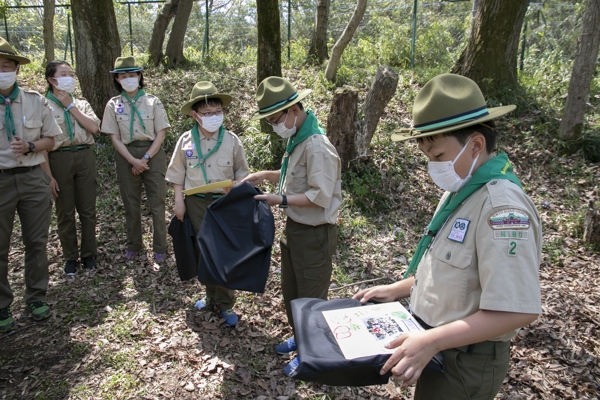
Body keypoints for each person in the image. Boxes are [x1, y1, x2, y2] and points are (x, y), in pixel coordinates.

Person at [353, 73, 542, 399]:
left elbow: (517, 309)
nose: (433, 167)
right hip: (438, 346)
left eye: (438, 156)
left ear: (476, 144)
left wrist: (432, 341)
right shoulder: (462, 191)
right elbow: (455, 276)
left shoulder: (501, 209)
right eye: (428, 158)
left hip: (465, 361)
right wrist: (397, 290)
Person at [242, 76, 342, 373]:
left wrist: (280, 200)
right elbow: (292, 176)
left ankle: (314, 354)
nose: (275, 125)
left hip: (315, 233)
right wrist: (265, 175)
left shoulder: (317, 145)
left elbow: (319, 196)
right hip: (295, 230)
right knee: (292, 293)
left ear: (294, 110)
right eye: (270, 120)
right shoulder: (298, 139)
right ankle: (301, 337)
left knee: (311, 298)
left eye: (276, 119)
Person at [166, 81, 249, 327]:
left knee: (223, 252)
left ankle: (225, 303)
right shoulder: (185, 141)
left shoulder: (232, 141)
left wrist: (236, 185)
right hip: (195, 203)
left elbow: (243, 173)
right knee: (201, 249)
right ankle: (209, 294)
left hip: (224, 203)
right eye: (207, 114)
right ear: (195, 115)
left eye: (217, 113)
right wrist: (178, 202)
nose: (214, 117)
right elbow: (177, 175)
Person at [0, 37, 61, 333]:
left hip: (33, 177)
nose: (2, 71)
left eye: (6, 65)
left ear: (16, 69)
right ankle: (2, 305)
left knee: (36, 242)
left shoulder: (36, 101)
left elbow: (52, 139)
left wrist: (30, 145)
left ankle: (36, 297)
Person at [101, 57, 170, 262]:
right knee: (131, 203)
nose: (128, 79)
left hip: (153, 153)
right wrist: (133, 160)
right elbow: (114, 137)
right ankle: (134, 245)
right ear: (117, 80)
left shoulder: (153, 101)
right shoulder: (113, 105)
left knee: (157, 203)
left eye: (132, 75)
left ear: (139, 76)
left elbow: (161, 134)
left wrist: (145, 158)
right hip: (126, 155)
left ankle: (160, 247)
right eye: (123, 76)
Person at [41, 60, 100, 275]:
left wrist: (70, 106)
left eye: (71, 74)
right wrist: (48, 176)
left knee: (87, 209)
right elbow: (42, 146)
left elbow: (94, 127)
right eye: (63, 74)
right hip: (59, 159)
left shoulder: (81, 103)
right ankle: (70, 257)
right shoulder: (42, 105)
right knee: (65, 211)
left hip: (84, 156)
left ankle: (89, 254)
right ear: (51, 79)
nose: (70, 78)